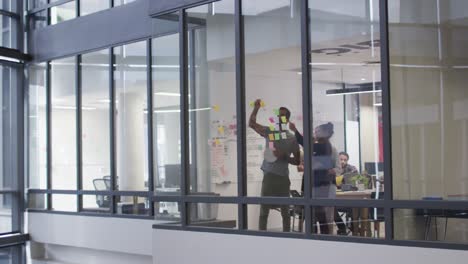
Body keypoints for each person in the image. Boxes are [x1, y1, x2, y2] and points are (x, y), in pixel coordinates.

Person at [249, 99, 300, 232]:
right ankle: (262, 237)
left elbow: (297, 161)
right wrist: (256, 108)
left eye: (282, 116)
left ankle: (286, 236)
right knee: (264, 211)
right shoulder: (270, 132)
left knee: (285, 212)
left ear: (287, 120)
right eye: (278, 115)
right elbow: (251, 124)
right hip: (269, 176)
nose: (278, 118)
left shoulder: (291, 138)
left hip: (283, 178)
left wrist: (284, 156)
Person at [289, 121, 339, 234]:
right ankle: (318, 236)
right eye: (314, 131)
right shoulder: (319, 145)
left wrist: (295, 130)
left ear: (325, 134)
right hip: (316, 184)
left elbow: (304, 143)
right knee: (316, 214)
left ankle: (320, 236)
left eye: (317, 132)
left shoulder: (324, 146)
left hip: (320, 185)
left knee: (318, 214)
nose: (315, 133)